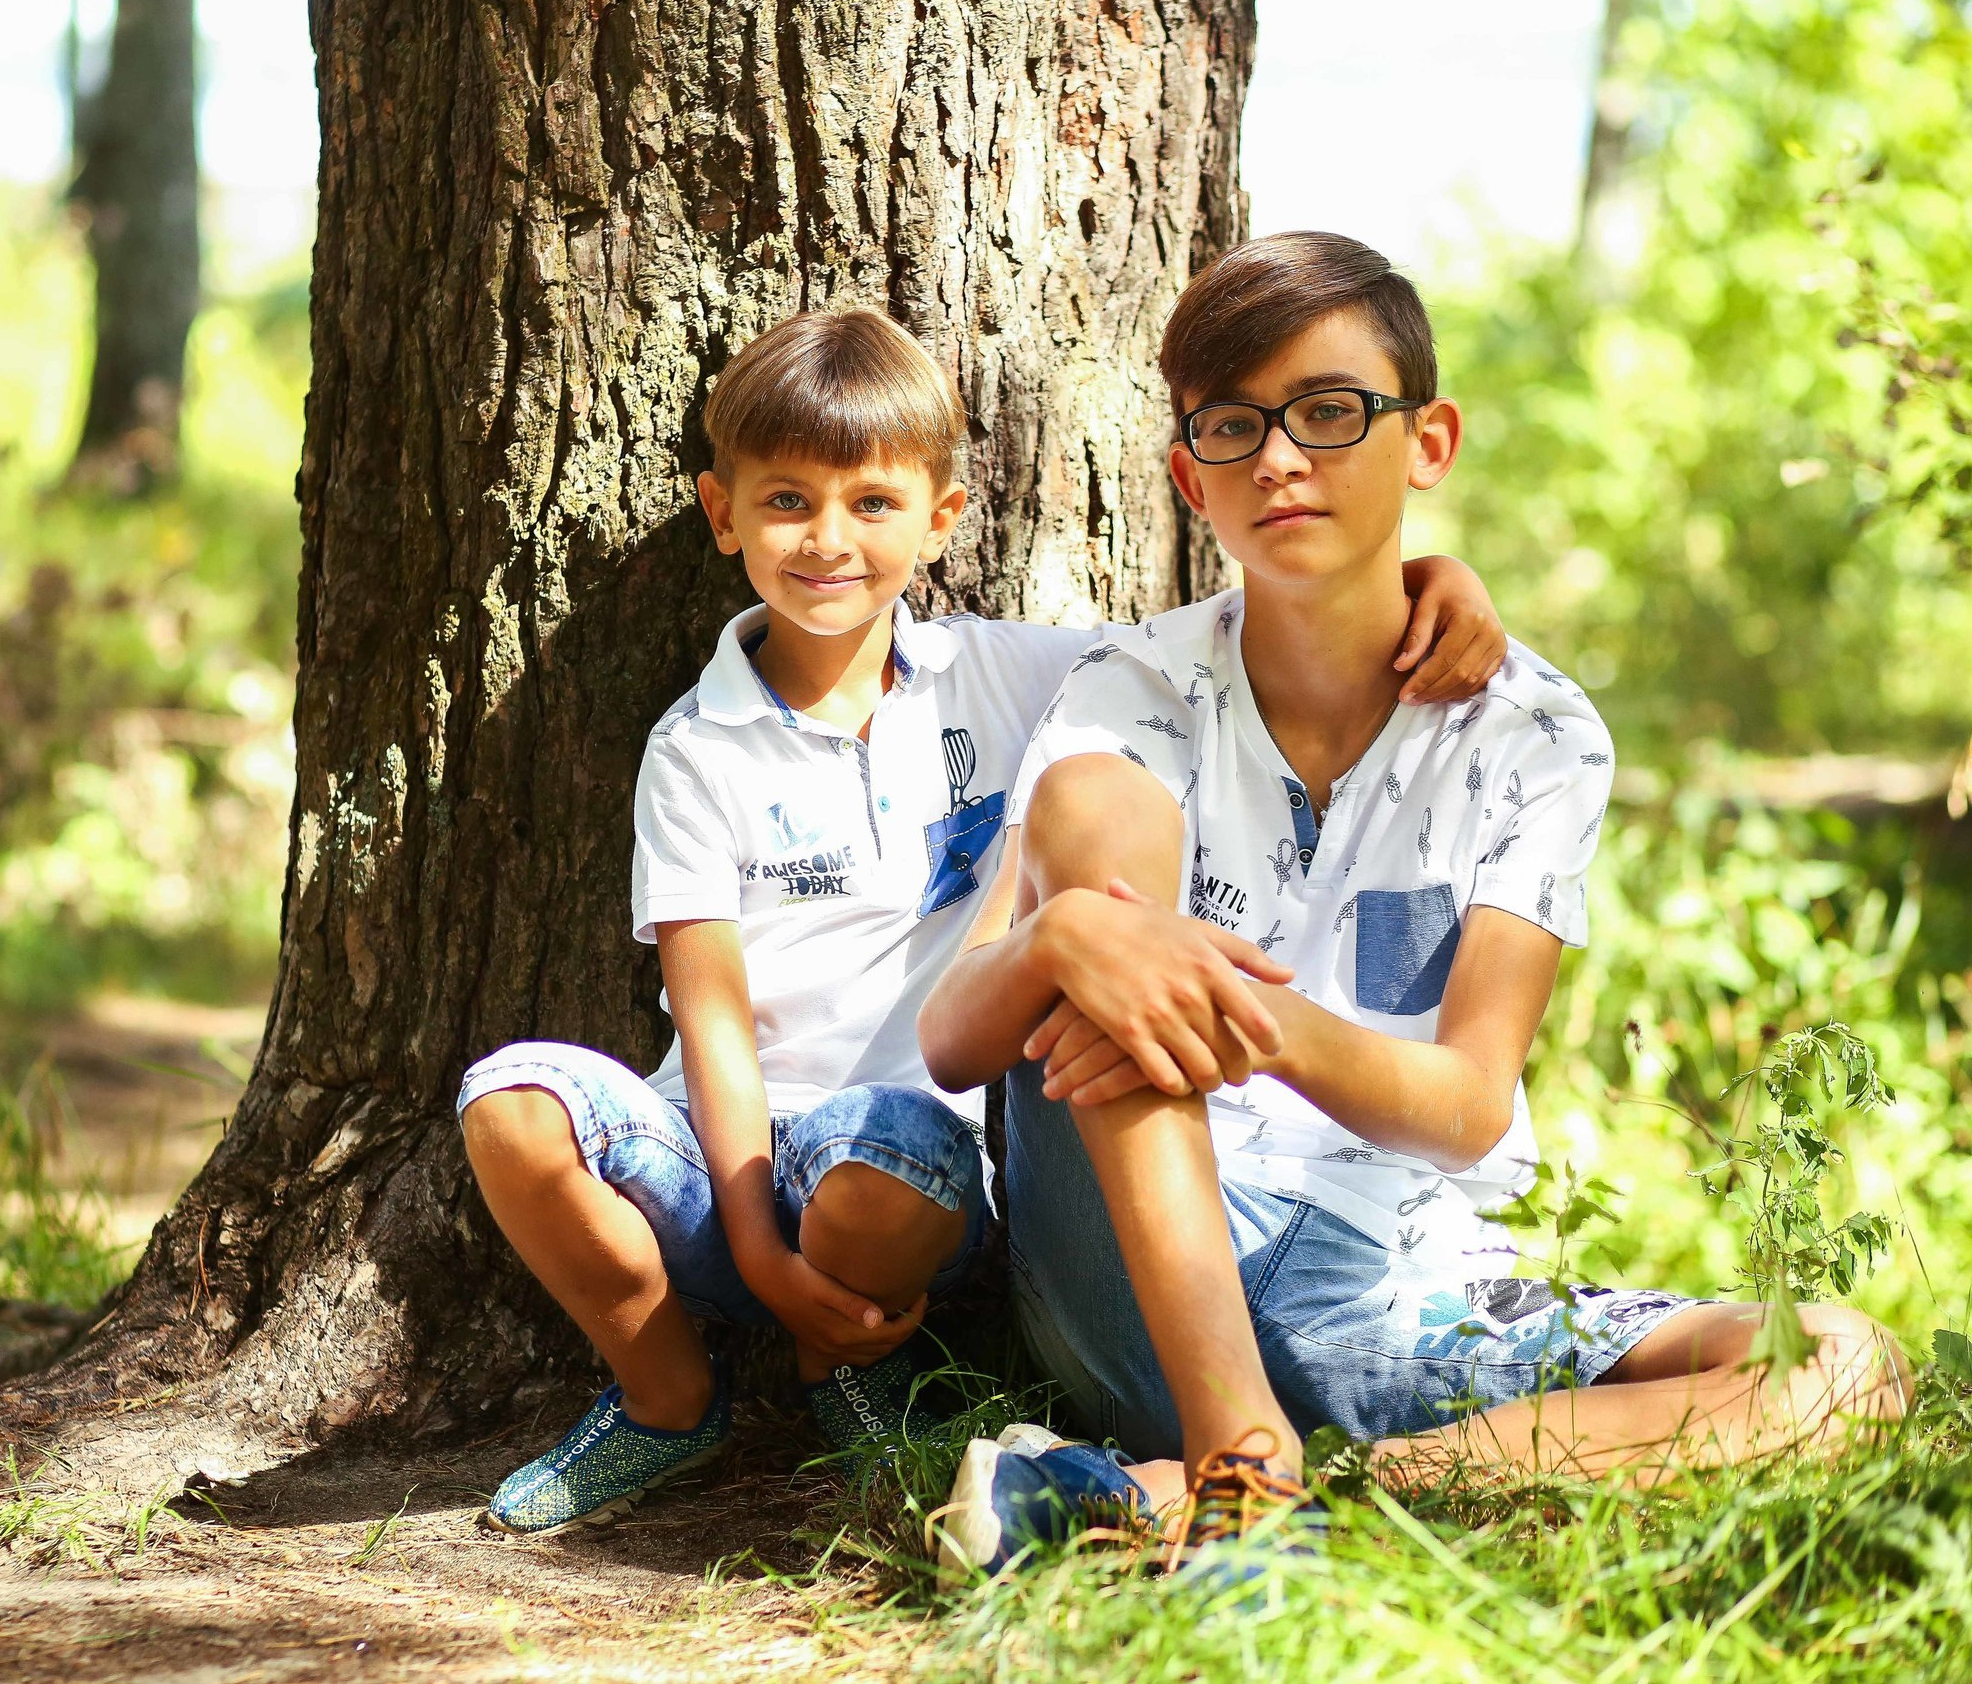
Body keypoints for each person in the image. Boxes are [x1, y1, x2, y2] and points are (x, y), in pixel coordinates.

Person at [919, 232, 1913, 1580]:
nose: (1281, 458)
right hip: (1147, 1253)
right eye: (1234, 425)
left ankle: (1228, 1490)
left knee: (1846, 1367)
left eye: (1330, 413)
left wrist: (1245, 1021)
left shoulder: (1537, 734)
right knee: (1109, 914)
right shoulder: (1128, 689)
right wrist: (1066, 935)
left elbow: (1465, 1099)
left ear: (1427, 440)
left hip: (1405, 1277)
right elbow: (955, 1042)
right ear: (1186, 472)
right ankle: (1236, 1451)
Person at [457, 305, 1511, 1536]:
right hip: (718, 1167)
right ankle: (666, 1397)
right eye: (786, 503)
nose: (827, 541)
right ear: (721, 512)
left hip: (910, 1177)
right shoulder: (696, 747)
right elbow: (717, 1023)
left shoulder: (1013, 675)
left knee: (883, 1154)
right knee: (510, 1104)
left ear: (942, 519)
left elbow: (1249, 639)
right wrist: (754, 1253)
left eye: (871, 505)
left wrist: (1437, 577)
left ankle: (846, 1365)